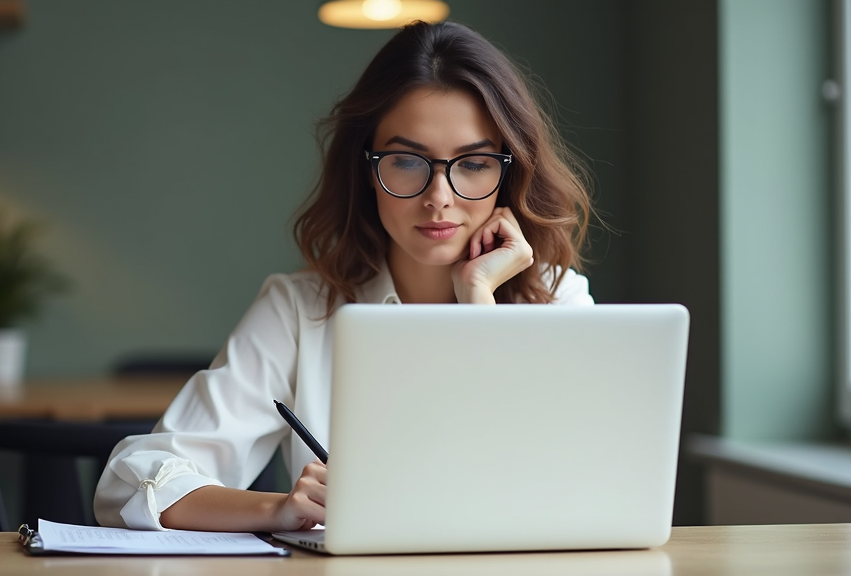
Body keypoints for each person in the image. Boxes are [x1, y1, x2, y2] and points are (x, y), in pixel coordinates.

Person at [94, 20, 595, 533]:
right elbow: (130, 482)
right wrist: (280, 509)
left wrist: (477, 304)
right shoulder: (300, 310)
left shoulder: (558, 302)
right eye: (406, 160)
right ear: (366, 168)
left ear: (507, 172)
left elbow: (579, 488)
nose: (439, 197)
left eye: (473, 163)